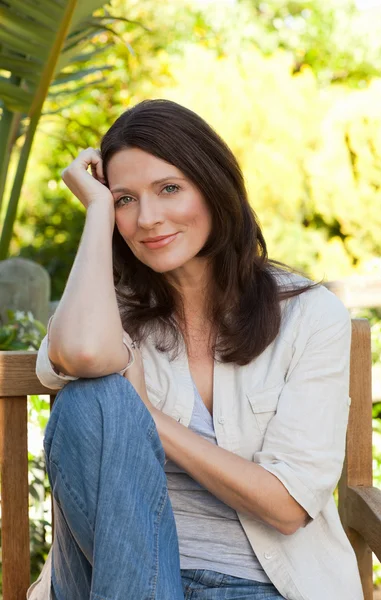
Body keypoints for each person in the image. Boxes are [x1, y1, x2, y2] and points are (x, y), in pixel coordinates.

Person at [28, 99, 363, 600]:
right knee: (88, 400)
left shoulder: (309, 317)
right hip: (118, 577)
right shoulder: (107, 309)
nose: (148, 218)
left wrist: (147, 417)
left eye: (169, 189)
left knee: (108, 399)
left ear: (213, 187)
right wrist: (96, 211)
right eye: (124, 199)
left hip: (255, 585)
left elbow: (288, 506)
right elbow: (75, 353)